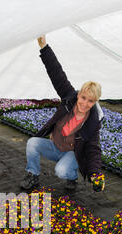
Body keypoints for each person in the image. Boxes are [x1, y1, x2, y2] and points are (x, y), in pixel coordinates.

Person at [20, 35, 105, 192]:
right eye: (83, 97)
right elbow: (56, 73)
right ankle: (32, 174)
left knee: (61, 171)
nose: (84, 103)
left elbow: (93, 149)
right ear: (78, 94)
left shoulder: (92, 122)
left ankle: (72, 177)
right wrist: (44, 47)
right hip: (54, 146)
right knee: (32, 143)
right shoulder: (69, 97)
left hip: (71, 154)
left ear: (95, 102)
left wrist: (95, 174)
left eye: (90, 101)